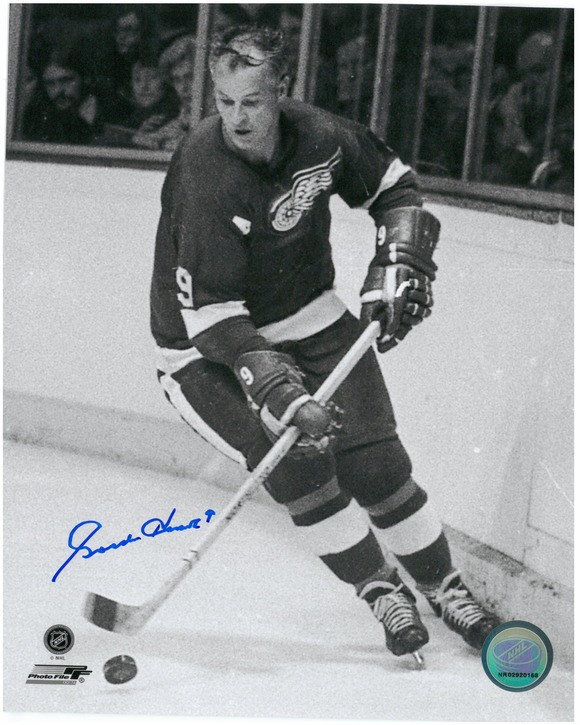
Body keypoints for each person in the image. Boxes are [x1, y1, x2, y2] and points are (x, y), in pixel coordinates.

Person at [150, 25, 500, 660]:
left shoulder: (322, 136)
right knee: (298, 466)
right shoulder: (206, 172)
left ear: (282, 90)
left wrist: (398, 260)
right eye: (225, 102)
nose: (237, 118)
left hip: (308, 314)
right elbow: (215, 317)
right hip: (205, 350)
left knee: (378, 463)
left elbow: (393, 186)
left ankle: (445, 587)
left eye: (252, 101)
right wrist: (281, 392)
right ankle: (381, 589)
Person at [22, 45, 101, 144]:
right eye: (50, 83)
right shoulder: (38, 122)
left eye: (66, 80)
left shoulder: (105, 115)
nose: (57, 91)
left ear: (85, 79)